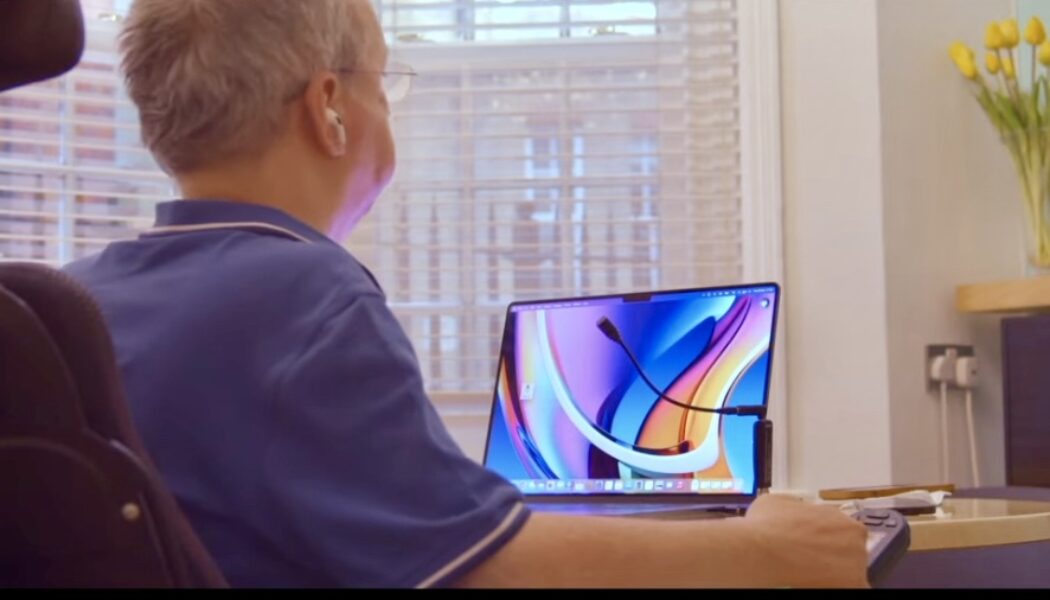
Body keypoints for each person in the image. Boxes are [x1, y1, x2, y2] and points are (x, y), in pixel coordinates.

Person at [63, 0, 869, 588]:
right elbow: (489, 571)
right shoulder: (301, 296)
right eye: (386, 83)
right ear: (330, 108)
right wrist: (767, 551)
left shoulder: (70, 300)